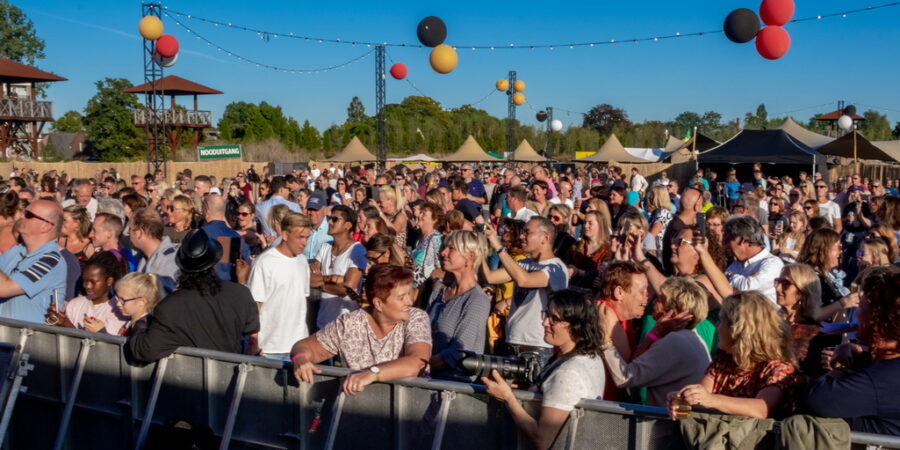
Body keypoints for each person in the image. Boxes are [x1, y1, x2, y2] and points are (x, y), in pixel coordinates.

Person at [482, 289, 604, 450]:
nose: (544, 323)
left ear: (576, 325)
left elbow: (542, 440)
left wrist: (508, 398)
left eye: (554, 319)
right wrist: (527, 390)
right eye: (546, 314)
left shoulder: (568, 373)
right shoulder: (589, 356)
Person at [290, 264, 431, 396]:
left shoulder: (416, 318)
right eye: (402, 297)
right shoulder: (349, 324)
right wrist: (300, 359)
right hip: (360, 411)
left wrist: (372, 373)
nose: (410, 302)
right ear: (378, 304)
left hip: (410, 411)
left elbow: (417, 362)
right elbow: (304, 346)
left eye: (409, 294)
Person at [126, 229, 260, 363]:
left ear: (181, 268)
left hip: (192, 380)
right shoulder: (240, 293)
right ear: (213, 264)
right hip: (230, 379)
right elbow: (252, 334)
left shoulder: (168, 307)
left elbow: (144, 351)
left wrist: (140, 324)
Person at [670, 291, 798, 419]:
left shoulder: (777, 369)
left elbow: (762, 409)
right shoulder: (722, 363)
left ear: (738, 330)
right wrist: (682, 402)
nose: (716, 326)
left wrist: (712, 400)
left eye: (721, 321)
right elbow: (699, 404)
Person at [807, 266, 900, 436]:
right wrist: (856, 351)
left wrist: (839, 367)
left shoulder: (882, 378)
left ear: (878, 320)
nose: (857, 314)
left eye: (862, 308)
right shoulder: (887, 367)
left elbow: (818, 400)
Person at [600, 277, 711, 407]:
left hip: (666, 424)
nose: (653, 302)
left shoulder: (676, 341)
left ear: (673, 311)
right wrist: (655, 333)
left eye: (661, 299)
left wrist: (605, 340)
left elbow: (624, 377)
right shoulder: (689, 337)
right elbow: (636, 361)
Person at [483, 217, 569, 365]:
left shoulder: (557, 268)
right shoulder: (524, 263)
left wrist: (499, 247)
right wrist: (478, 250)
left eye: (527, 233)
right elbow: (489, 277)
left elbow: (525, 280)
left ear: (545, 238)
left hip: (538, 347)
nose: (522, 236)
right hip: (512, 343)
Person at [426, 231, 491, 381]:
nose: (443, 253)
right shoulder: (439, 290)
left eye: (451, 248)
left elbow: (459, 351)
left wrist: (419, 366)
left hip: (453, 383)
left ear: (470, 256)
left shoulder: (477, 300)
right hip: (426, 378)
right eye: (444, 247)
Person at [247, 213, 313, 360]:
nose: (304, 243)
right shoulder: (264, 262)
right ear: (284, 234)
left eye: (307, 237)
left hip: (298, 348)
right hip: (270, 348)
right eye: (300, 237)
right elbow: (255, 306)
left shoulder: (302, 262)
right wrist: (254, 342)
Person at [0, 200, 68, 323]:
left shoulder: (51, 261)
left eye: (28, 214)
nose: (21, 216)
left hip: (30, 340)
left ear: (46, 226)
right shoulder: (17, 251)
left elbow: (4, 288)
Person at [702, 216, 784, 303]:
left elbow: (746, 290)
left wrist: (731, 276)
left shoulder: (772, 263)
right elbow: (727, 288)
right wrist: (740, 279)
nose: (725, 246)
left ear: (742, 240)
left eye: (727, 240)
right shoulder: (736, 265)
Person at [312, 205, 367, 329]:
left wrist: (320, 283)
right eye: (329, 218)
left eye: (335, 219)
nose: (329, 222)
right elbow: (310, 277)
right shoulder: (325, 247)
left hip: (345, 326)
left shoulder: (357, 250)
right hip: (322, 323)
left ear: (347, 225)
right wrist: (333, 279)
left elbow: (348, 287)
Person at [201, 194, 249, 282]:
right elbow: (245, 265)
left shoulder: (200, 235)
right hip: (229, 289)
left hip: (204, 289)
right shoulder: (235, 237)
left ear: (206, 211)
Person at [130, 208, 179, 294]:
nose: (128, 234)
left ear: (139, 233)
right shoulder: (145, 257)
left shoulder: (167, 264)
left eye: (130, 229)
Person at [113, 272, 159, 337]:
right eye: (117, 298)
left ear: (141, 302)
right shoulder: (130, 323)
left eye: (123, 300)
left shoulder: (143, 328)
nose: (118, 304)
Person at [411, 202, 444, 290]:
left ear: (434, 219)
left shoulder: (436, 239)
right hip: (414, 286)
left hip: (425, 287)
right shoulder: (419, 239)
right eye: (420, 212)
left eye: (424, 213)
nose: (419, 215)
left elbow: (440, 268)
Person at [301, 194, 332, 263]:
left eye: (316, 209)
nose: (312, 213)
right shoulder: (301, 230)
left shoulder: (332, 231)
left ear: (325, 211)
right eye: (310, 209)